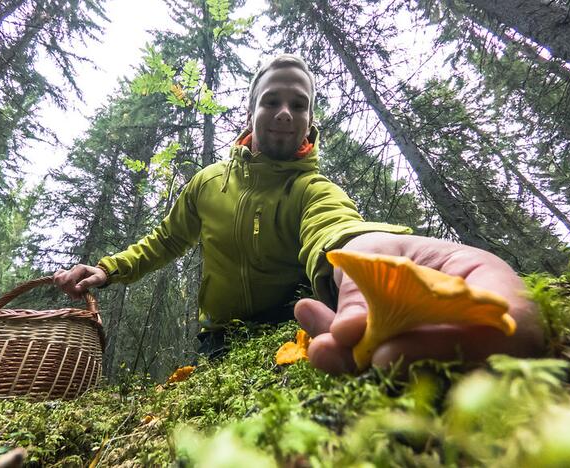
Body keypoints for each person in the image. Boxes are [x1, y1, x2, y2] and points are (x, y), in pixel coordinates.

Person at [53, 54, 543, 374]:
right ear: (251, 113)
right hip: (216, 337)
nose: (284, 112)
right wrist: (108, 269)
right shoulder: (207, 183)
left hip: (286, 329)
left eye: (298, 104)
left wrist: (366, 256)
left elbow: (334, 227)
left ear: (309, 121)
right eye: (272, 101)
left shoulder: (310, 187)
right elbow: (164, 241)